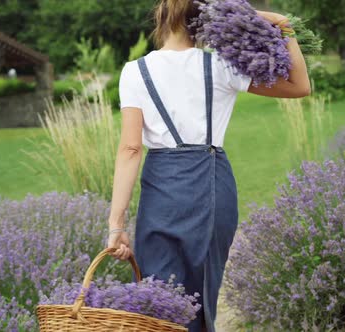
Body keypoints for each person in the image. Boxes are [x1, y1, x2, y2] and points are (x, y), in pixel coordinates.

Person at [106, 1, 310, 331]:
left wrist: (116, 225)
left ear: (161, 17)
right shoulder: (220, 66)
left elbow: (130, 149)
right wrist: (283, 25)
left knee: (155, 297)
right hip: (212, 186)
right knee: (200, 297)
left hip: (161, 191)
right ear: (202, 20)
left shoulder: (134, 72)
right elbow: (299, 86)